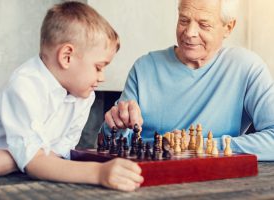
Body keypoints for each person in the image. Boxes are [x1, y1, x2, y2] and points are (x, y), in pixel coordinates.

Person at [0, 1, 143, 192]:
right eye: (98, 67)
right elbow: (35, 161)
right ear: (66, 57)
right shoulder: (25, 85)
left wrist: (13, 159)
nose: (102, 77)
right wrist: (99, 173)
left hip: (16, 170)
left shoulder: (84, 97)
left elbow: (59, 153)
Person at [103, 0, 274, 161]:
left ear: (228, 27)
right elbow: (109, 141)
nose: (190, 33)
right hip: (145, 172)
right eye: (184, 20)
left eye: (204, 25)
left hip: (215, 179)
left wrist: (200, 146)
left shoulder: (246, 67)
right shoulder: (144, 67)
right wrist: (117, 124)